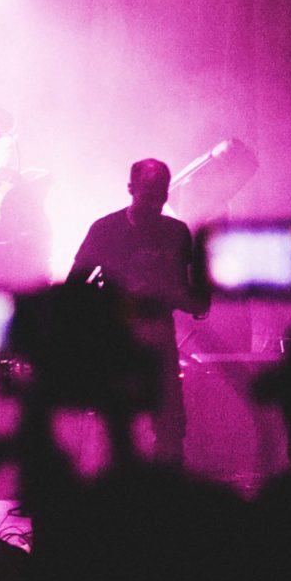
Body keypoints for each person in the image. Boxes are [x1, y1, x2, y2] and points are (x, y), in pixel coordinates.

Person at [67, 158, 207, 464]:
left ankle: (164, 482)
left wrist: (183, 297)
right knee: (116, 424)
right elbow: (74, 286)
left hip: (158, 336)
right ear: (131, 189)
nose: (157, 199)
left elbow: (194, 296)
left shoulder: (177, 233)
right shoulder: (106, 229)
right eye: (149, 191)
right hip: (116, 338)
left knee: (169, 425)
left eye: (162, 191)